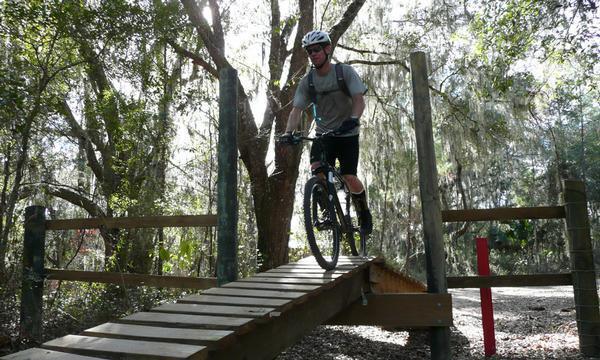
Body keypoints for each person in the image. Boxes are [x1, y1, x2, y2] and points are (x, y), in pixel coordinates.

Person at [280, 30, 372, 234]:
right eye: (309, 51)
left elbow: (359, 100)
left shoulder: (344, 72)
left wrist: (354, 119)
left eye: (316, 50)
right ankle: (327, 213)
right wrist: (288, 132)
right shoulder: (308, 82)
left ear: (327, 49)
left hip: (348, 134)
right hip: (323, 135)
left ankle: (363, 211)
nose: (313, 54)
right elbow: (296, 110)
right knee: (317, 169)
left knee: (349, 177)